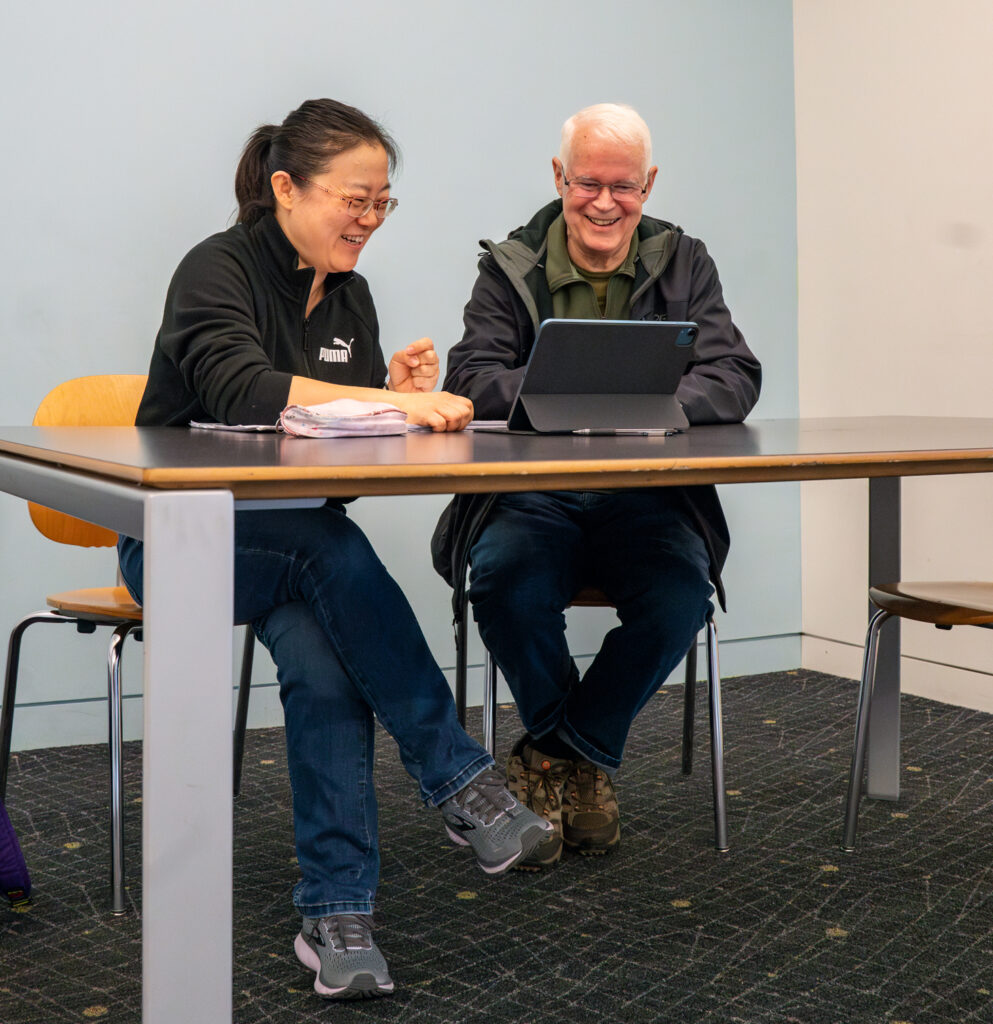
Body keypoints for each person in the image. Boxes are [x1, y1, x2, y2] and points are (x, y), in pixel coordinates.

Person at [117, 99, 551, 1000]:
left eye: (382, 203)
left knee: (322, 651)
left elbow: (336, 473)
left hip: (288, 552)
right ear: (285, 188)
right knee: (328, 550)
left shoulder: (349, 298)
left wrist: (382, 397)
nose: (369, 220)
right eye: (354, 198)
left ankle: (336, 917)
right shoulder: (215, 269)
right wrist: (390, 408)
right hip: (176, 546)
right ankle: (461, 784)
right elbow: (242, 389)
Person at [433, 103, 761, 870]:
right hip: (532, 496)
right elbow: (469, 377)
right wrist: (560, 392)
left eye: (623, 186)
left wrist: (663, 404)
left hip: (645, 497)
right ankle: (582, 762)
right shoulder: (508, 262)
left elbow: (735, 372)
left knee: (681, 595)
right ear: (559, 177)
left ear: (647, 184)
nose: (604, 202)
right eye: (587, 183)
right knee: (506, 584)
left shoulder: (684, 260)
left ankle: (555, 757)